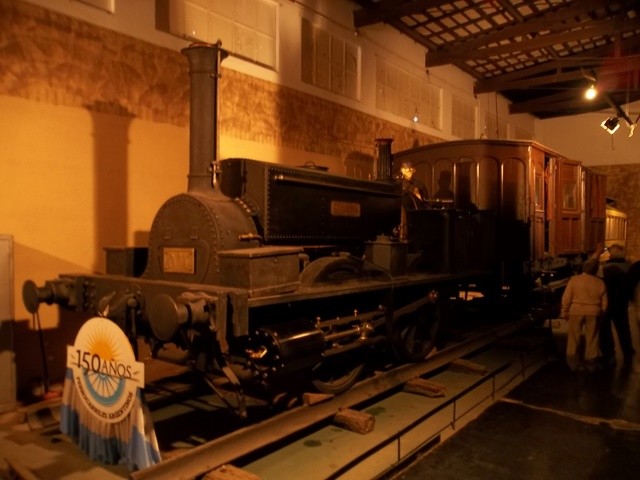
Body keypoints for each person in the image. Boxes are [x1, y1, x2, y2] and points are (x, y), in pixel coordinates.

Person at [560, 258, 608, 372]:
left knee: (574, 337)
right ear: (596, 270)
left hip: (576, 311)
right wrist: (602, 312)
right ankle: (591, 363)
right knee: (592, 337)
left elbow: (566, 298)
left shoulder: (574, 280)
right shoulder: (600, 282)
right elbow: (605, 301)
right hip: (593, 312)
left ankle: (573, 364)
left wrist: (564, 311)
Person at [600, 244, 635, 367]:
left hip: (607, 302)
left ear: (611, 254)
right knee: (623, 328)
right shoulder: (629, 268)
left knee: (605, 329)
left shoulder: (604, 268)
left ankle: (610, 354)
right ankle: (628, 353)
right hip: (622, 303)